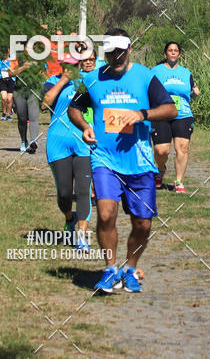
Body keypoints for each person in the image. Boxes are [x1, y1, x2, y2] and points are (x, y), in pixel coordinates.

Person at [68, 27, 176, 294]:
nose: (115, 56)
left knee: (143, 223)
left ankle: (130, 268)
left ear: (129, 49)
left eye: (120, 51)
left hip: (139, 161)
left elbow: (170, 108)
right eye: (110, 52)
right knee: (106, 214)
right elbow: (74, 108)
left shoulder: (145, 76)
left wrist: (142, 114)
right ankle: (109, 269)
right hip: (104, 158)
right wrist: (84, 126)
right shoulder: (91, 78)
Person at [42, 54, 92, 252]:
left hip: (83, 141)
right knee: (64, 193)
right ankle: (69, 219)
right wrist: (63, 80)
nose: (72, 68)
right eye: (68, 65)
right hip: (57, 142)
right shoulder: (52, 83)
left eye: (75, 65)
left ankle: (81, 235)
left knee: (83, 190)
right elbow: (44, 104)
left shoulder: (87, 82)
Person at [150, 41, 200, 193]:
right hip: (161, 113)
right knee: (161, 151)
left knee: (183, 148)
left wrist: (195, 92)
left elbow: (192, 90)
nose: (173, 52)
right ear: (165, 54)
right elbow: (148, 89)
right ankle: (160, 169)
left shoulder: (186, 72)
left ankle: (179, 181)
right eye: (170, 50)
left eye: (176, 50)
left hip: (182, 114)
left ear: (179, 54)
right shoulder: (155, 71)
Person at [11, 55, 40, 153]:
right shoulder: (17, 59)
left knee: (33, 117)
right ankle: (24, 141)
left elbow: (43, 75)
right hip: (19, 91)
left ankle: (33, 141)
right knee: (22, 118)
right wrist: (24, 67)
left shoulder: (39, 59)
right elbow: (11, 73)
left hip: (33, 90)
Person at [0, 49, 15, 121]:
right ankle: (4, 113)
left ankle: (8, 114)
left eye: (6, 53)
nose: (4, 55)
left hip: (10, 80)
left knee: (9, 99)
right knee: (4, 98)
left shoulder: (12, 61)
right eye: (3, 53)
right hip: (2, 80)